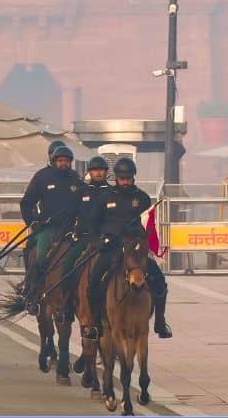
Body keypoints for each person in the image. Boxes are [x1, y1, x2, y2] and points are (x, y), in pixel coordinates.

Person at [85, 158, 172, 338]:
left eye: (128, 178)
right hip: (111, 247)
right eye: (122, 178)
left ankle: (160, 321)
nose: (125, 181)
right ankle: (95, 323)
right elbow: (93, 224)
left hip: (134, 249)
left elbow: (148, 227)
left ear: (133, 178)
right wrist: (98, 241)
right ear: (116, 178)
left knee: (159, 281)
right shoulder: (105, 197)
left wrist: (141, 239)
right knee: (93, 281)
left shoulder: (141, 198)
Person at [19, 143, 82, 311]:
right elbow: (26, 203)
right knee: (40, 257)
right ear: (54, 161)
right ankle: (33, 293)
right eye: (60, 160)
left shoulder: (76, 179)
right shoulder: (42, 177)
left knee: (84, 259)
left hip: (70, 229)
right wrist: (33, 222)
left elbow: (86, 204)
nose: (64, 164)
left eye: (67, 161)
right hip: (48, 228)